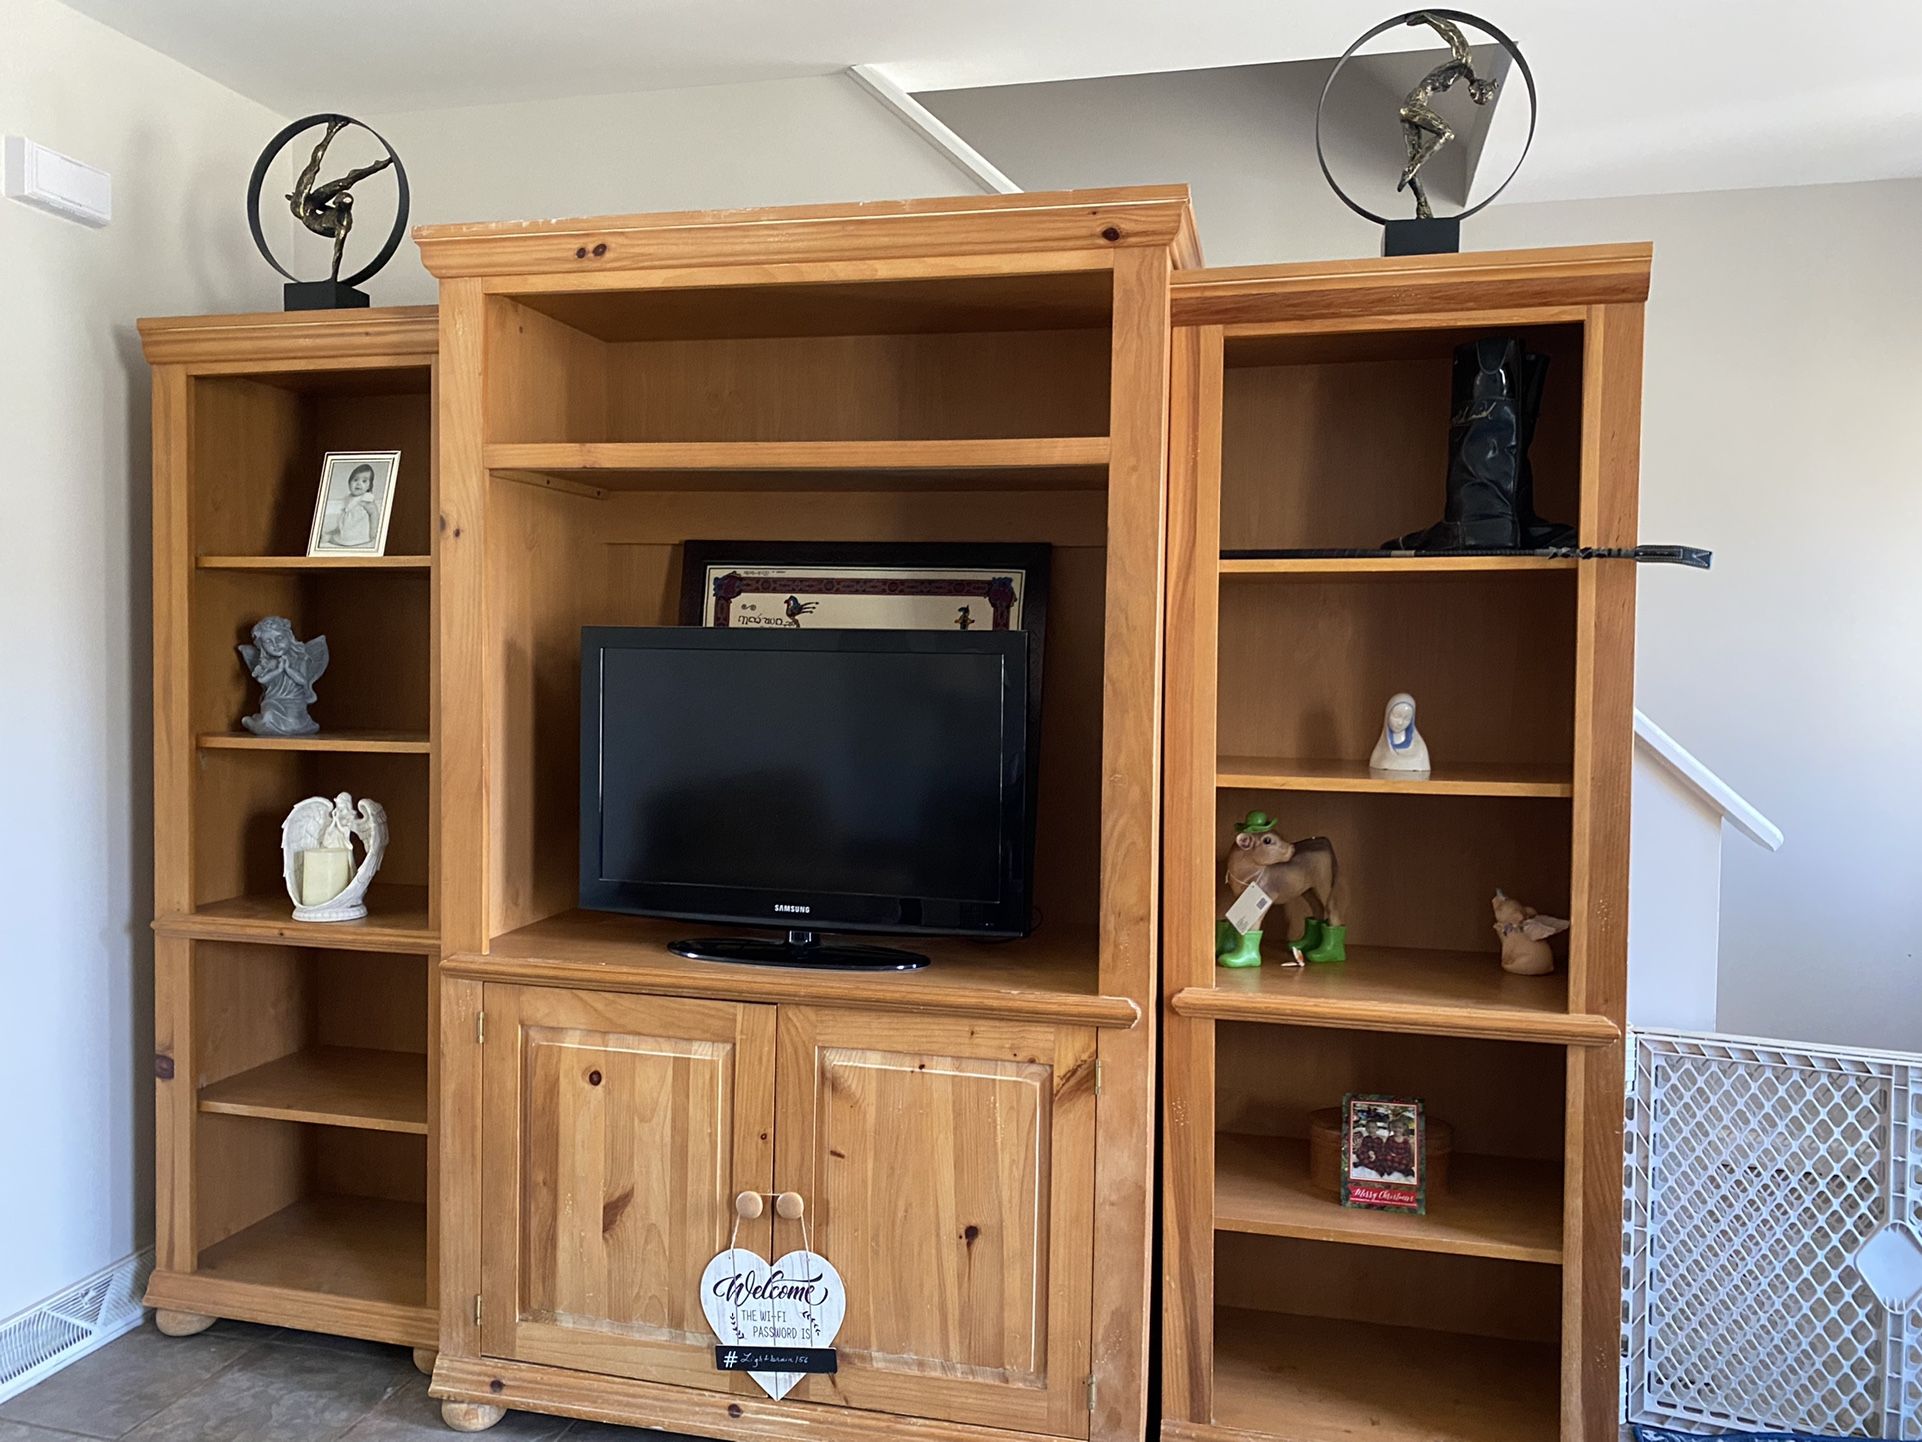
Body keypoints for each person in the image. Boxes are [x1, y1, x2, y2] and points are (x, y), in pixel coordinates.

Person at [326, 463, 380, 549]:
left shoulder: (366, 499)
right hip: (348, 526)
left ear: (369, 486)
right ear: (349, 483)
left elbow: (374, 514)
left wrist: (373, 531)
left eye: (364, 481)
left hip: (358, 530)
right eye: (355, 480)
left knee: (336, 538)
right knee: (339, 531)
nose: (358, 483)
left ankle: (342, 539)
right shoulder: (349, 497)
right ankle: (337, 534)